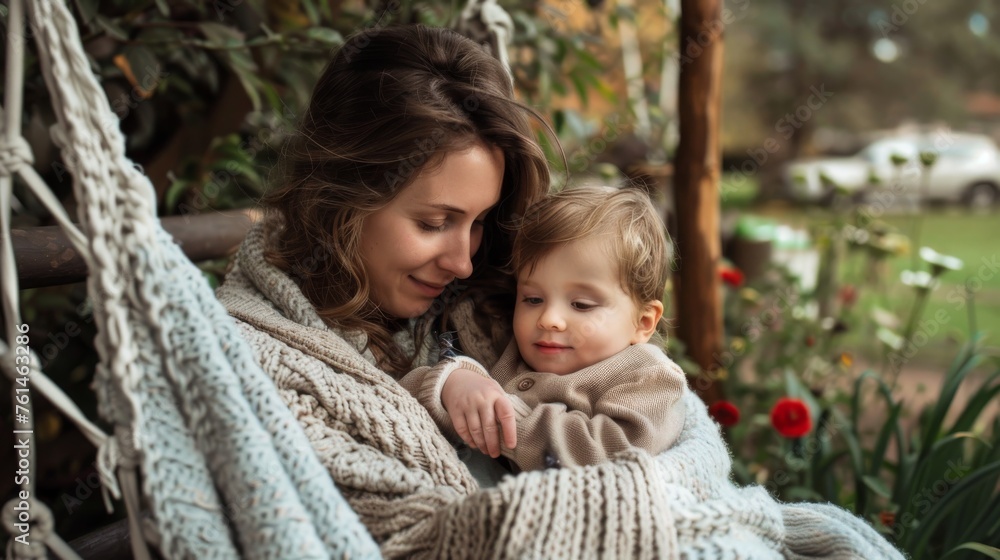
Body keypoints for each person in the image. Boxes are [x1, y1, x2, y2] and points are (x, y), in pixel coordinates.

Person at [217, 22, 906, 560]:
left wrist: (658, 488)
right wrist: (455, 382)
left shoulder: (488, 297)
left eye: (481, 223)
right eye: (435, 223)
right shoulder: (270, 361)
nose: (464, 259)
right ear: (343, 199)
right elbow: (416, 536)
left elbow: (678, 428)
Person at [400, 186, 688, 472]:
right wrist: (453, 382)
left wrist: (505, 421)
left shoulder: (648, 376)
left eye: (582, 305)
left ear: (643, 322)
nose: (549, 319)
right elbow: (399, 399)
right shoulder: (511, 353)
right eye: (533, 299)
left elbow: (616, 450)